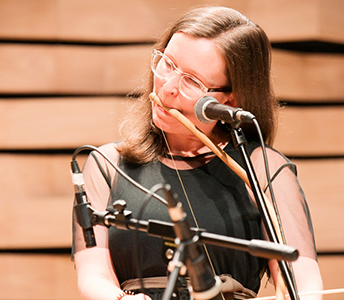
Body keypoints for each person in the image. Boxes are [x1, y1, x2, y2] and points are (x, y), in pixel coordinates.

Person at [73, 5, 323, 300]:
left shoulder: (261, 167)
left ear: (231, 98)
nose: (168, 87)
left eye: (191, 81)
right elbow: (93, 274)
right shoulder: (107, 165)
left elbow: (303, 282)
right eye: (167, 63)